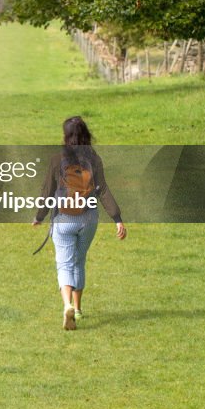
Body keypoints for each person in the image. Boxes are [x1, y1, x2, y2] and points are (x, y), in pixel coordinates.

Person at [32, 116, 127, 329]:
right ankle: (78, 309)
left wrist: (39, 216)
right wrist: (117, 219)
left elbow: (47, 190)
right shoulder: (93, 159)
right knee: (79, 261)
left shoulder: (57, 160)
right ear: (86, 135)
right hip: (88, 219)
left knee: (64, 263)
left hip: (63, 218)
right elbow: (103, 190)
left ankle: (66, 305)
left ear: (66, 137)